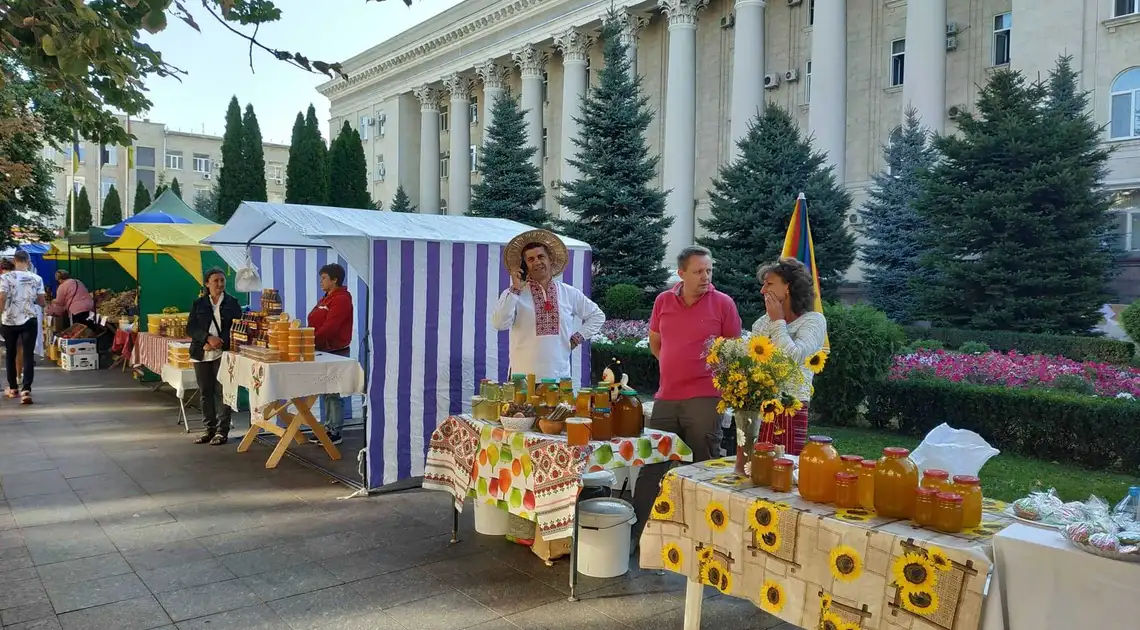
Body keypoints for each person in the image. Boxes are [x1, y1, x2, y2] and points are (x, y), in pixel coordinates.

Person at [632, 246, 742, 542]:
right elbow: (656, 343)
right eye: (698, 271)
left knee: (702, 467)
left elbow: (733, 352)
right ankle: (636, 535)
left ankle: (702, 539)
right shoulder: (663, 301)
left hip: (706, 398)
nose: (705, 276)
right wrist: (674, 366)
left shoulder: (723, 304)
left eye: (708, 270)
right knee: (652, 464)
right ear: (681, 274)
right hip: (666, 397)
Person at [491, 229, 605, 381]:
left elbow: (597, 315)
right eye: (530, 260)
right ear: (524, 266)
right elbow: (499, 324)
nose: (537, 262)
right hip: (523, 380)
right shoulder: (513, 294)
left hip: (558, 378)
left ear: (550, 259)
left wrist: (577, 338)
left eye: (540, 256)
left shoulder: (569, 293)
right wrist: (516, 289)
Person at [751, 257, 828, 456]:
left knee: (784, 469)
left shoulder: (813, 321)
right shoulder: (762, 322)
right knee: (758, 465)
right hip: (761, 406)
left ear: (788, 287)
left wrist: (778, 321)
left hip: (791, 407)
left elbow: (793, 358)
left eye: (769, 284)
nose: (762, 291)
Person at [187, 268, 242, 445]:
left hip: (222, 352)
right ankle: (208, 429)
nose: (220, 284)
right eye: (216, 281)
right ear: (207, 283)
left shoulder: (232, 303)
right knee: (205, 392)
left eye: (222, 280)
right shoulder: (199, 303)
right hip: (201, 351)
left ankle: (222, 430)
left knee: (223, 391)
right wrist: (206, 339)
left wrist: (220, 341)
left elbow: (237, 328)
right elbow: (191, 328)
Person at [307, 263, 353, 445]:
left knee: (333, 392)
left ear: (334, 280)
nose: (321, 281)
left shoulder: (341, 299)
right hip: (322, 349)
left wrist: (310, 341)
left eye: (324, 278)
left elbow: (331, 327)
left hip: (335, 351)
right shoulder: (326, 298)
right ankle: (327, 428)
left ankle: (335, 431)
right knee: (325, 391)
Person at [0, 251, 45, 404]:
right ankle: (26, 390)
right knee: (27, 354)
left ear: (14, 260)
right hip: (29, 320)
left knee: (10, 354)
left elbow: (2, 297)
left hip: (8, 321)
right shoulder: (37, 278)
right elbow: (41, 301)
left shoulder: (5, 278)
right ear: (28, 261)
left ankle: (13, 388)